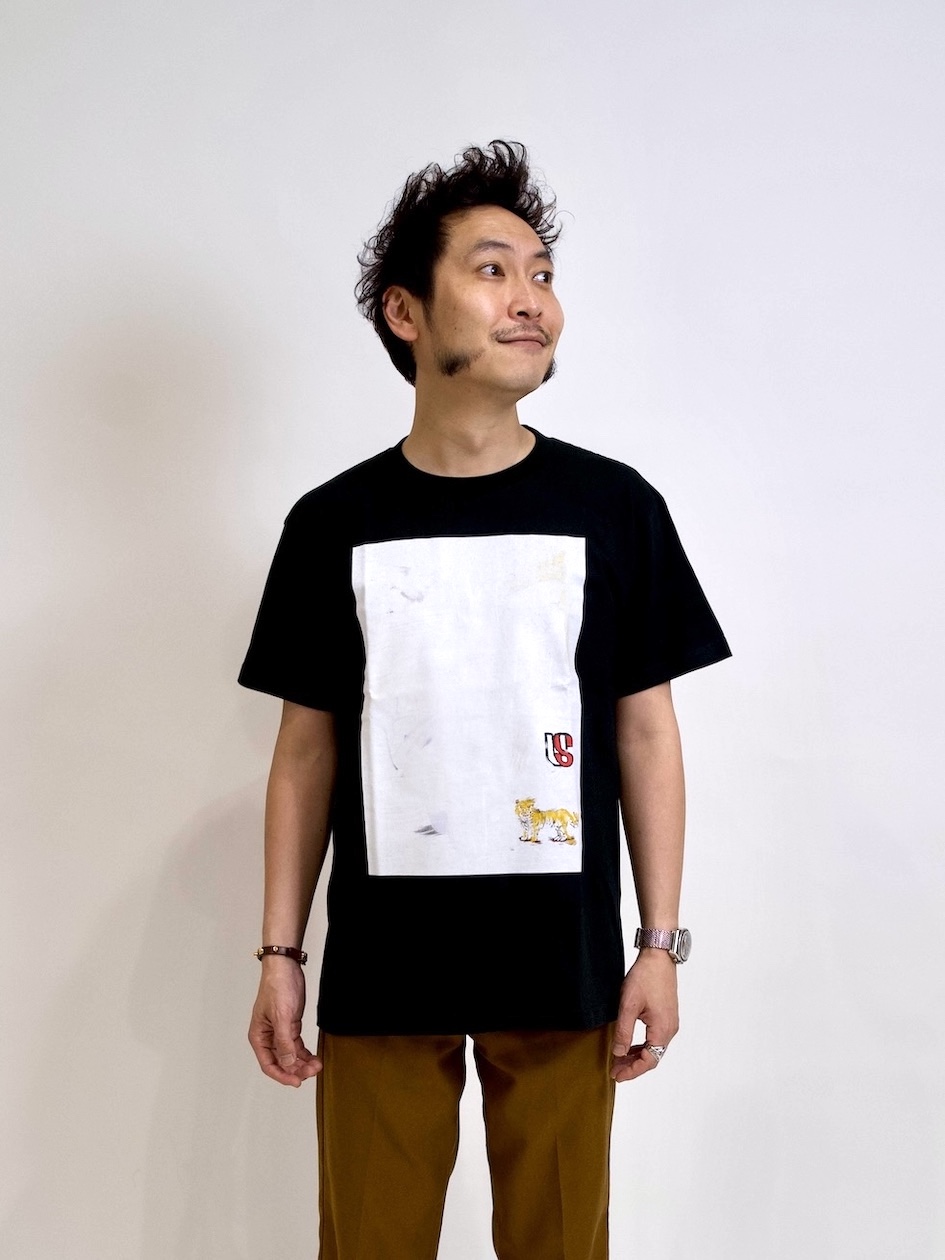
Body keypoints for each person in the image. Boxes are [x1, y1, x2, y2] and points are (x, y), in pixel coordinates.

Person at [239, 139, 731, 1260]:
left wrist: (659, 942)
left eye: (543, 274)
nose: (531, 300)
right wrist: (280, 956)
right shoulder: (333, 523)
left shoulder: (614, 507)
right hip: (382, 972)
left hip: (563, 970)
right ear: (406, 311)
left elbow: (645, 731)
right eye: (494, 270)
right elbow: (305, 751)